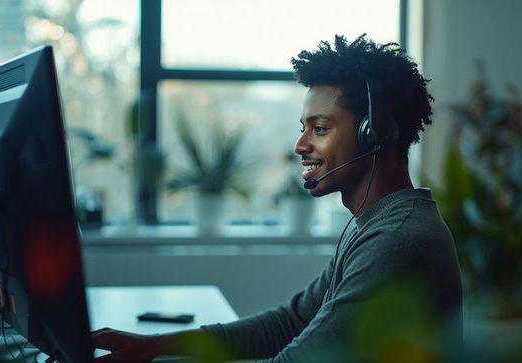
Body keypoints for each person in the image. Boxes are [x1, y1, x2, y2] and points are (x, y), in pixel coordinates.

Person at [92, 34, 462, 363]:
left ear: (374, 134)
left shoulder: (397, 237)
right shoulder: (375, 224)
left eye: (319, 128)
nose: (301, 145)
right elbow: (291, 322)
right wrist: (153, 347)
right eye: (304, 129)